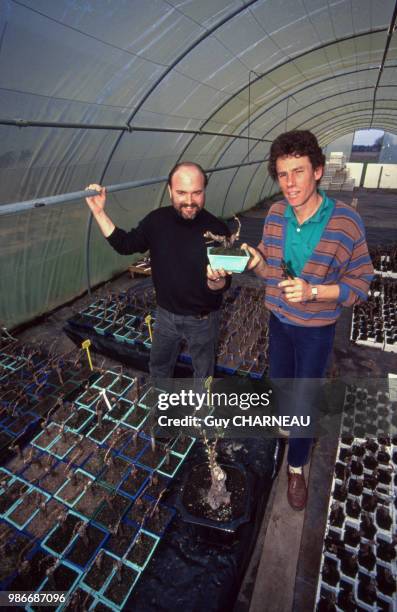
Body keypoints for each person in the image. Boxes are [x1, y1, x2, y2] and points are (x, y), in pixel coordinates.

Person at [241, 130, 374, 510]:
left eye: (298, 172)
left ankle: (296, 466)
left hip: (315, 329)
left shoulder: (345, 223)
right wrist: (257, 261)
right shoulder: (275, 214)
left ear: (317, 171)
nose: (290, 183)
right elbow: (270, 268)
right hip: (279, 321)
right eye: (283, 174)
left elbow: (360, 284)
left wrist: (314, 291)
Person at [85, 162, 230, 379]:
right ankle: (162, 408)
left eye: (196, 193)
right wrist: (98, 212)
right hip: (165, 317)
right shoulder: (157, 221)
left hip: (203, 320)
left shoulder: (218, 230)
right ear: (170, 190)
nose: (189, 201)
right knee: (159, 368)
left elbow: (225, 283)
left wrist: (216, 283)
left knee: (203, 374)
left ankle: (203, 411)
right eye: (181, 193)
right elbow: (125, 244)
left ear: (204, 191)